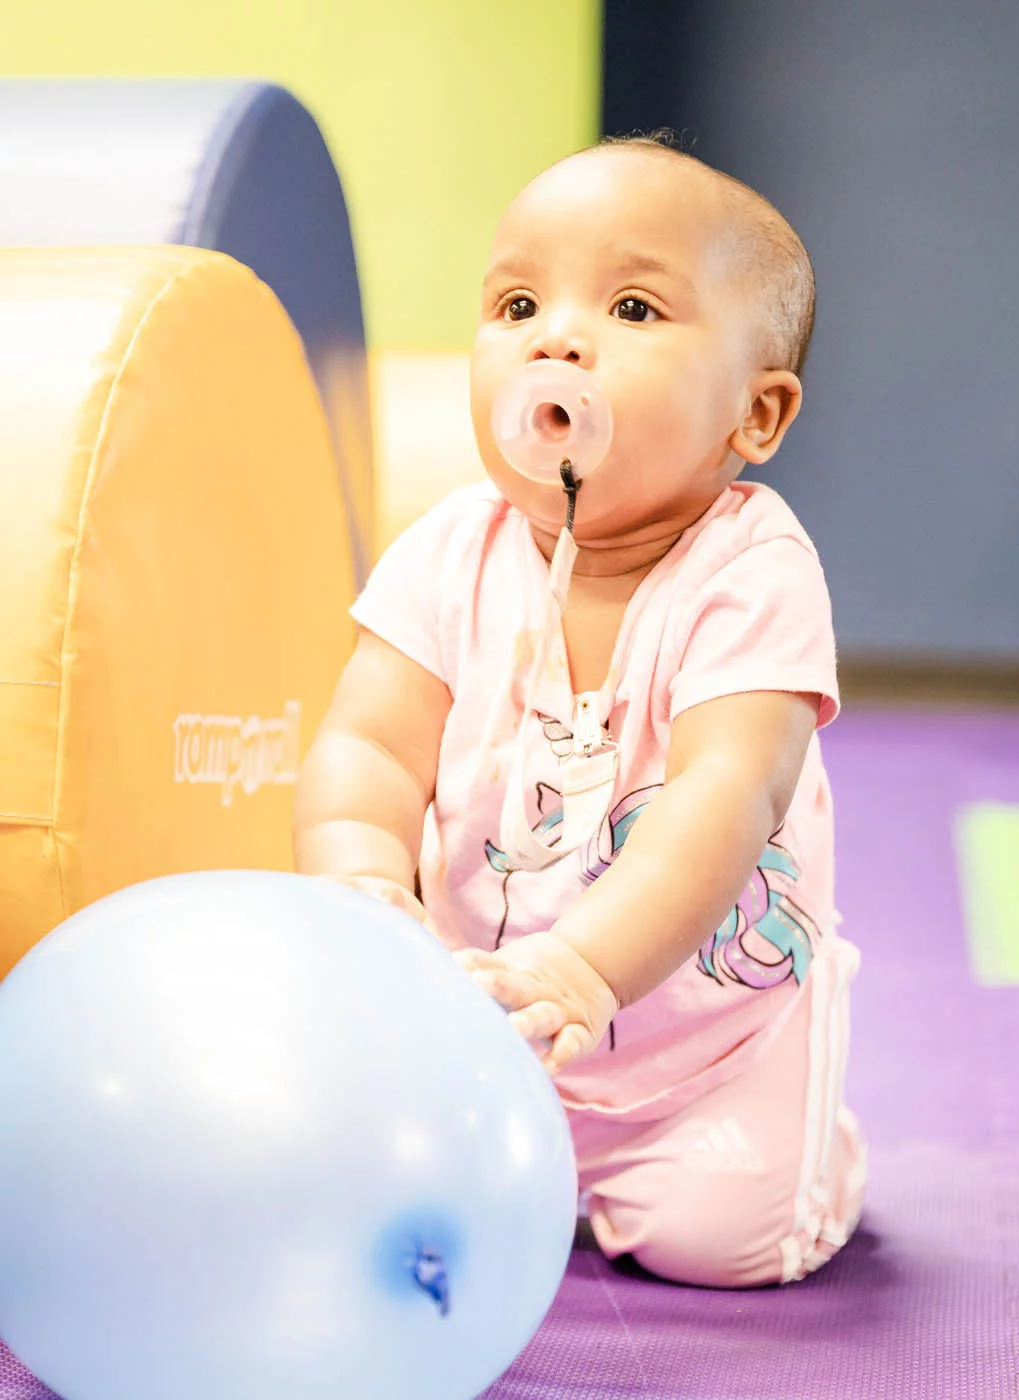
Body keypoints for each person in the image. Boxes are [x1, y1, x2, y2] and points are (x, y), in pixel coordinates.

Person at [293, 135, 866, 1288]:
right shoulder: (452, 550)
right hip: (484, 1032)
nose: (554, 337)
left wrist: (582, 966)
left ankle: (794, 1138)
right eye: (516, 301)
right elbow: (368, 745)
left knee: (725, 1242)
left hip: (702, 1050)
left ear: (754, 415)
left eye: (633, 306)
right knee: (350, 1191)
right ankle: (532, 1150)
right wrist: (359, 882)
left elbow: (728, 790)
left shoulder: (752, 570)